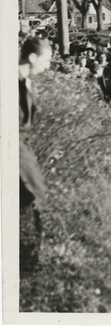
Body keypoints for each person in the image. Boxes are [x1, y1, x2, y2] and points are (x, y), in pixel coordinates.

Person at [19, 37, 53, 273]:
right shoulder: (13, 82)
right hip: (15, 148)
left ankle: (27, 257)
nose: (48, 66)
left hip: (22, 146)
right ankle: (30, 262)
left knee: (26, 202)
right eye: (46, 60)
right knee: (36, 195)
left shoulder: (24, 81)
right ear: (32, 58)